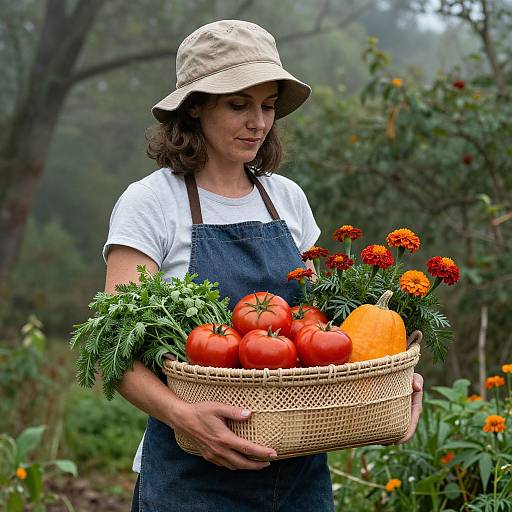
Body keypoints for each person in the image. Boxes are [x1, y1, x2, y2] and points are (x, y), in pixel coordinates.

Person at [103, 19, 423, 511]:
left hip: (300, 471)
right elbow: (112, 351)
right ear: (195, 107)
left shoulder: (287, 198)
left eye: (268, 106)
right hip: (192, 476)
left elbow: (325, 330)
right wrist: (184, 416)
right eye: (239, 105)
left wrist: (386, 389)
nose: (259, 122)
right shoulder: (150, 202)